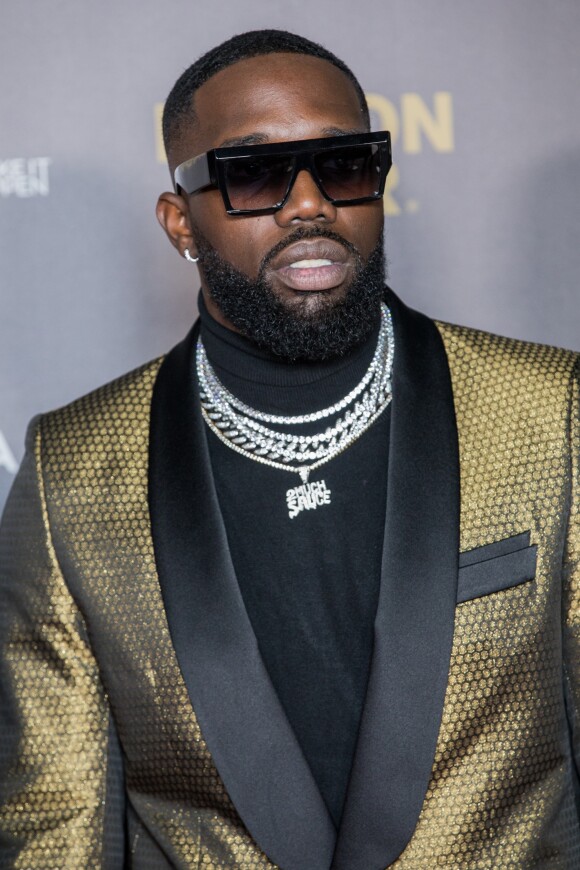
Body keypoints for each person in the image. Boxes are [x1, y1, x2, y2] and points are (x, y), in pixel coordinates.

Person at [0, 27, 579, 870]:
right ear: (178, 222)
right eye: (256, 173)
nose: (310, 204)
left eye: (344, 164)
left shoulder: (550, 413)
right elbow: (54, 830)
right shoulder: (73, 472)